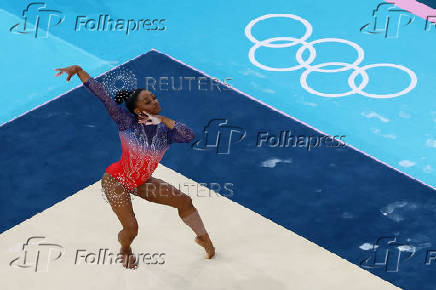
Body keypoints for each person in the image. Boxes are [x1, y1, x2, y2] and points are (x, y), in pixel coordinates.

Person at [54, 65, 215, 269]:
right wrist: (79, 71)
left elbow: (189, 135)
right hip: (116, 181)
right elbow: (103, 96)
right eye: (148, 101)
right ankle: (125, 248)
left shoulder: (166, 133)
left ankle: (203, 237)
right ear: (139, 110)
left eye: (154, 97)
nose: (155, 101)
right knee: (131, 228)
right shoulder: (126, 122)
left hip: (141, 182)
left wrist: (164, 119)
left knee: (185, 202)